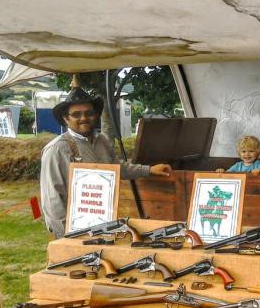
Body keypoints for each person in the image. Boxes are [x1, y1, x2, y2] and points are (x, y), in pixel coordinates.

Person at [40, 80, 172, 239]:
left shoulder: (101, 140)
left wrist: (149, 170)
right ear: (66, 118)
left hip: (102, 222)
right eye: (76, 114)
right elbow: (53, 198)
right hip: (74, 229)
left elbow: (117, 168)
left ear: (95, 115)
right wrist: (65, 236)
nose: (84, 118)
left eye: (89, 113)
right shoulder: (57, 149)